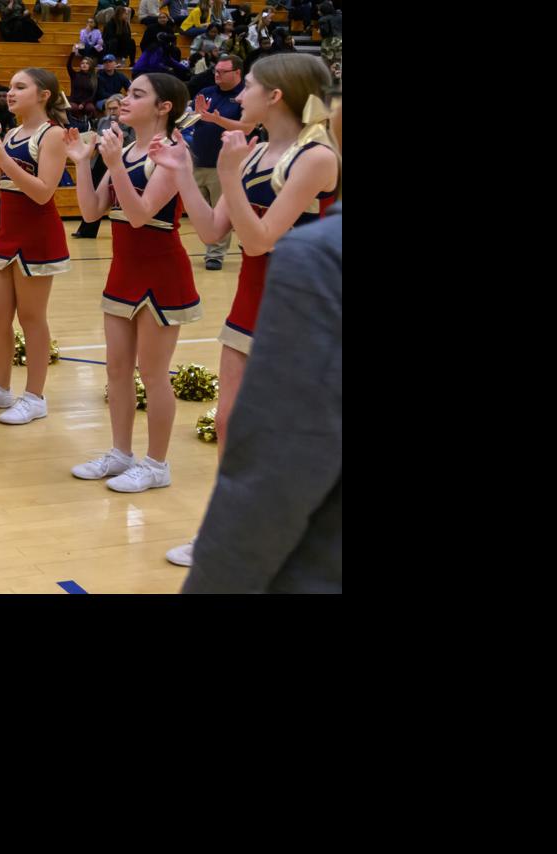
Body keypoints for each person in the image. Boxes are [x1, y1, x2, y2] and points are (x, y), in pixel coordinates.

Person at [180, 86, 341, 591]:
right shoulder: (250, 152)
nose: (239, 95)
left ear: (276, 94)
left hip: (294, 301)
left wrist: (226, 175)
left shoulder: (314, 157)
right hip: (251, 301)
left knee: (284, 438)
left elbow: (259, 240)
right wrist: (184, 172)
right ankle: (221, 524)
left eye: (248, 86)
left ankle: (257, 535)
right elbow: (210, 233)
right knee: (231, 424)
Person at [69, 72, 198, 494]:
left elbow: (142, 213)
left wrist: (113, 165)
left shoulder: (174, 152)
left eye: (138, 94)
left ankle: (156, 464)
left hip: (161, 271)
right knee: (117, 368)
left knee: (153, 372)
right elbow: (90, 213)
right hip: (123, 269)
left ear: (164, 107)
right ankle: (120, 454)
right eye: (128, 92)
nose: (125, 99)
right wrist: (83, 164)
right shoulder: (123, 149)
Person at [0, 68, 71, 427]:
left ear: (44, 95)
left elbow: (42, 192)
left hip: (38, 235)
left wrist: (3, 159)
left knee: (32, 318)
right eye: (10, 87)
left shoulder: (52, 135)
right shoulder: (11, 132)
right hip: (8, 233)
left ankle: (35, 397)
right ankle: (0, 388)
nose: (10, 93)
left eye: (20, 87)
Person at [188, 54, 242, 269]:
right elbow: (192, 119)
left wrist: (216, 119)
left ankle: (215, 254)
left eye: (222, 72)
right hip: (198, 159)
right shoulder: (206, 93)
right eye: (216, 71)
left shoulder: (244, 96)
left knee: (222, 211)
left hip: (225, 165)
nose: (217, 75)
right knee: (201, 211)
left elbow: (245, 126)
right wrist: (189, 117)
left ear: (237, 72)